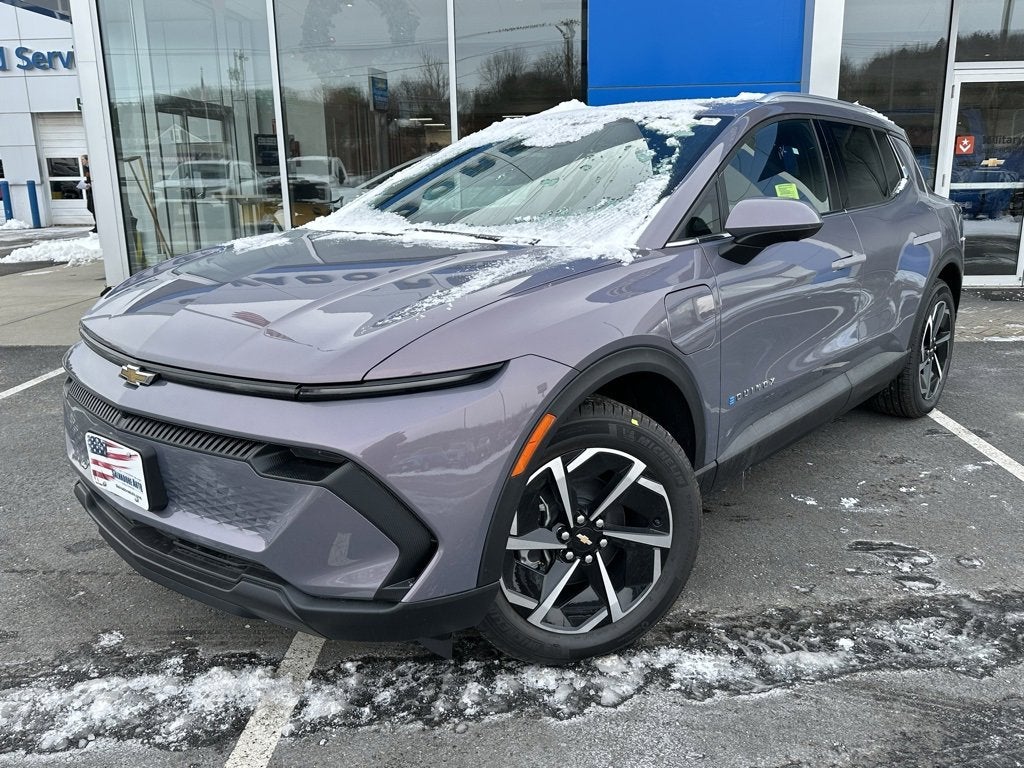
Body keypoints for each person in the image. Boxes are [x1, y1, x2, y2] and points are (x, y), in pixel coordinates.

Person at [79, 155, 96, 233]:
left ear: (87, 160)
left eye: (82, 159)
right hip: (90, 191)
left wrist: (90, 185)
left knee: (93, 209)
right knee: (90, 207)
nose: (81, 161)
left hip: (94, 192)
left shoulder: (92, 168)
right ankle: (97, 225)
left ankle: (97, 226)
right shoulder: (86, 168)